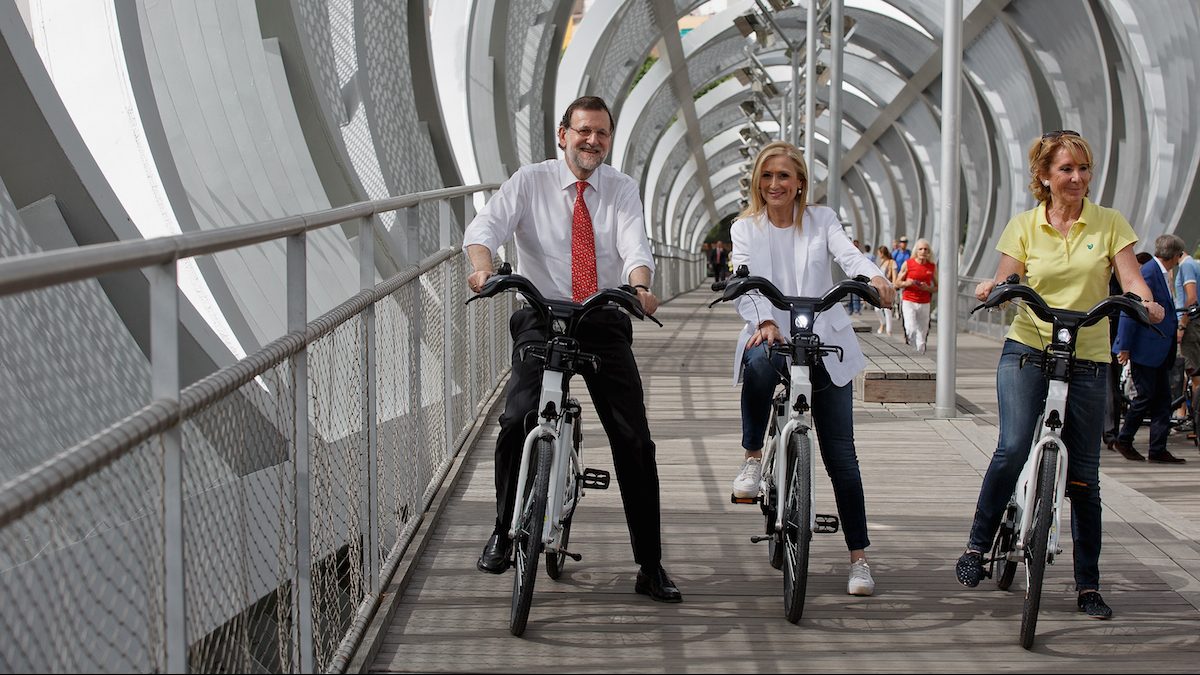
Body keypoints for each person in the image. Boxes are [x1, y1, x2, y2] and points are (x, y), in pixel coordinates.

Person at [462, 95, 681, 603]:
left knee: (634, 442)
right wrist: (482, 267)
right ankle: (502, 529)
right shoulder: (530, 180)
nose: (593, 141)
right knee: (516, 420)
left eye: (602, 133)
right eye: (584, 131)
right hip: (542, 313)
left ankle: (649, 565)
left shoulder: (622, 189)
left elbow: (634, 247)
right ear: (563, 135)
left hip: (602, 317)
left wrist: (641, 286)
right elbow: (486, 229)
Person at [955, 130, 1164, 620]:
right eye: (1066, 169)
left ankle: (1087, 584)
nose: (1077, 178)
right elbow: (1010, 276)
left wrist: (1146, 303)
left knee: (1085, 476)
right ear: (1045, 177)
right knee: (1011, 447)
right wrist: (995, 286)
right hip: (1028, 347)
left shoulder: (1109, 223)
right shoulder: (1025, 225)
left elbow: (1130, 280)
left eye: (1084, 168)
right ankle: (976, 546)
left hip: (1089, 356)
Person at [725, 141, 895, 596]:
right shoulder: (746, 227)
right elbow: (743, 278)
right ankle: (753, 460)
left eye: (784, 176)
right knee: (758, 361)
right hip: (772, 334)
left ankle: (859, 559)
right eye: (767, 176)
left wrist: (874, 276)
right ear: (757, 182)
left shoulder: (822, 220)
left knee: (842, 455)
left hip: (824, 341)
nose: (775, 184)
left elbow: (849, 255)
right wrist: (762, 319)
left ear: (800, 182)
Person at [1112, 235, 1187, 464]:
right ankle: (1124, 440)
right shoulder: (1149, 273)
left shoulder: (1160, 273)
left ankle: (1157, 449)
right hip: (1146, 349)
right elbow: (1130, 309)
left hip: (1158, 350)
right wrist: (1123, 345)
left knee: (1162, 399)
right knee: (1145, 397)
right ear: (1175, 256)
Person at [1172, 244, 1200, 437]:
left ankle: (1195, 422)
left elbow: (1191, 298)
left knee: (1194, 373)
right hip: (1195, 323)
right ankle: (1186, 415)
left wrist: (1182, 325)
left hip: (1190, 324)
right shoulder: (1195, 265)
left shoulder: (1186, 266)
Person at [896, 239, 937, 353]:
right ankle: (912, 352)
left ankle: (920, 355)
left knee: (922, 333)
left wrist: (928, 288)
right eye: (921, 249)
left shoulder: (931, 267)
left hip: (924, 302)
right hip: (909, 300)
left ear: (929, 252)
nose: (923, 251)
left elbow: (937, 286)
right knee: (911, 329)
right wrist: (907, 283)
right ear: (916, 251)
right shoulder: (908, 264)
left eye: (926, 249)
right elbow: (897, 282)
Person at [874, 246, 897, 336]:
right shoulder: (882, 263)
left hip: (889, 287)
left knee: (887, 310)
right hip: (880, 288)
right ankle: (882, 323)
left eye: (879, 253)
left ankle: (889, 330)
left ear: (882, 253)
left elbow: (894, 276)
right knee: (877, 309)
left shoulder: (892, 262)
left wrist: (894, 287)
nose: (878, 255)